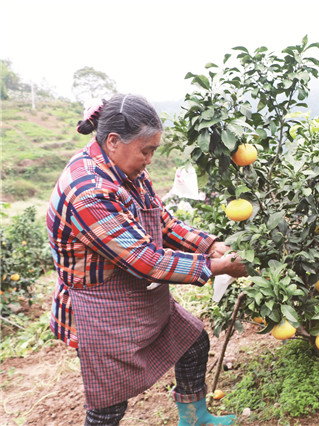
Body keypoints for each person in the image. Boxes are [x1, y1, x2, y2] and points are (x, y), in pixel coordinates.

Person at [47, 93, 245, 425]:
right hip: (100, 309)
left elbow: (163, 222)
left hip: (132, 293)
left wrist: (210, 245)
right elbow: (147, 261)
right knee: (109, 405)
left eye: (153, 150)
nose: (150, 159)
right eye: (146, 150)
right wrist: (215, 267)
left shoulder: (128, 170)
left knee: (192, 341)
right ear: (113, 141)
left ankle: (195, 418)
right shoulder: (88, 189)